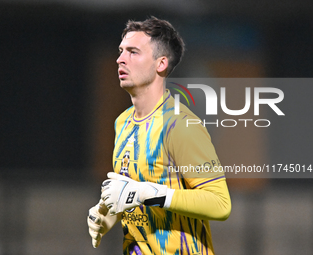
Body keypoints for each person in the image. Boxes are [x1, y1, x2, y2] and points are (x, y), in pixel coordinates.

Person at [87, 16, 231, 255]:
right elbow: (132, 194)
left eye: (133, 52)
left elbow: (220, 204)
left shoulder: (181, 125)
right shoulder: (122, 123)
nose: (120, 59)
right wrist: (109, 215)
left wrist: (147, 193)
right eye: (121, 51)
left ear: (161, 64)